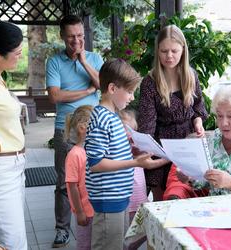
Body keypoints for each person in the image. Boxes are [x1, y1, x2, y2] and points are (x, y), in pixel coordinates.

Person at [84, 59, 167, 250]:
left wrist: (134, 152)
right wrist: (135, 163)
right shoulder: (101, 118)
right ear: (112, 88)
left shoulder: (112, 116)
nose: (131, 98)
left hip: (118, 198)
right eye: (129, 92)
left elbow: (112, 153)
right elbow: (96, 164)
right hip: (108, 199)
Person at [46, 14, 103, 247]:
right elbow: (55, 96)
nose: (76, 41)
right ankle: (62, 229)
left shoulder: (95, 58)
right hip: (66, 127)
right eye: (71, 37)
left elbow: (102, 85)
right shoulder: (55, 62)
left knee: (97, 176)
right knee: (65, 181)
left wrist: (83, 61)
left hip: (95, 125)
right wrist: (86, 91)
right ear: (62, 37)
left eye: (80, 36)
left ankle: (96, 220)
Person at [137, 24, 208, 201]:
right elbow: (147, 126)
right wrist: (148, 153)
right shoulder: (150, 82)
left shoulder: (191, 75)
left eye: (174, 51)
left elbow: (198, 108)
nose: (169, 56)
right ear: (157, 51)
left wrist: (198, 123)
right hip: (161, 146)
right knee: (163, 202)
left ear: (183, 50)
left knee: (190, 195)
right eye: (164, 51)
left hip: (187, 143)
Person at [0, 21, 27, 250]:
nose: (20, 56)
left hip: (13, 166)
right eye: (17, 53)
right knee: (10, 243)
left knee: (14, 238)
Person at [64, 105, 94, 250]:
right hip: (86, 212)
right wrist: (80, 212)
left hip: (97, 210)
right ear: (83, 128)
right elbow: (72, 186)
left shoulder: (93, 150)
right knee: (85, 246)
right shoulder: (75, 154)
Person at [118, 109, 148, 250]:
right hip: (127, 204)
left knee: (141, 232)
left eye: (133, 130)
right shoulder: (118, 151)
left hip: (140, 202)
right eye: (126, 129)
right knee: (125, 235)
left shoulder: (136, 149)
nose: (130, 134)